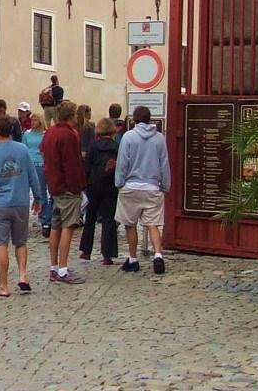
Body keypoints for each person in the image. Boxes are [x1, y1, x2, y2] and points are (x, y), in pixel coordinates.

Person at [0, 115, 46, 297]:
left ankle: (3, 285)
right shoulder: (23, 149)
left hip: (0, 203)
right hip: (21, 202)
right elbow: (32, 176)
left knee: (1, 244)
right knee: (21, 242)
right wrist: (38, 198)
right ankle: (23, 275)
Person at [115, 106, 171, 274]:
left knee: (130, 224)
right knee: (153, 224)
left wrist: (119, 182)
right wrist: (165, 185)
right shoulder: (159, 138)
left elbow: (122, 162)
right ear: (149, 118)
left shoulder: (128, 137)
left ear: (134, 119)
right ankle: (158, 255)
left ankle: (133, 258)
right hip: (152, 186)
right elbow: (164, 163)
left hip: (131, 186)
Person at [41, 101, 87, 284]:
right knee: (69, 226)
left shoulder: (50, 132)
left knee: (56, 226)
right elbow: (71, 164)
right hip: (67, 187)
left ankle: (54, 267)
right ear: (71, 115)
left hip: (54, 185)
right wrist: (78, 186)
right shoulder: (69, 135)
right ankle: (63, 269)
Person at [80, 117, 121, 265]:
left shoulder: (93, 146)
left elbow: (87, 166)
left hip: (94, 184)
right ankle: (107, 254)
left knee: (90, 216)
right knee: (109, 219)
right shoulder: (117, 147)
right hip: (110, 185)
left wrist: (84, 184)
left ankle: (86, 250)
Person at [18, 102, 52, 239]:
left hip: (41, 164)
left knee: (41, 191)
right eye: (32, 120)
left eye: (35, 120)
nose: (32, 122)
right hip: (29, 164)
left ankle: (44, 217)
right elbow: (23, 148)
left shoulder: (45, 134)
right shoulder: (27, 134)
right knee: (29, 191)